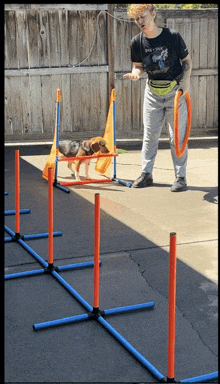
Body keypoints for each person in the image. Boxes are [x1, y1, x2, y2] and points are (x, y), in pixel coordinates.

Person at [124, 4, 192, 191]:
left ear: (153, 14)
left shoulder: (172, 37)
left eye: (143, 17)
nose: (140, 22)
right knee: (150, 136)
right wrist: (136, 73)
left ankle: (181, 177)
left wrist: (185, 84)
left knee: (176, 138)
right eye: (136, 19)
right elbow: (138, 65)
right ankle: (146, 174)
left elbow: (187, 62)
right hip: (152, 93)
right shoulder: (137, 42)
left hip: (175, 93)